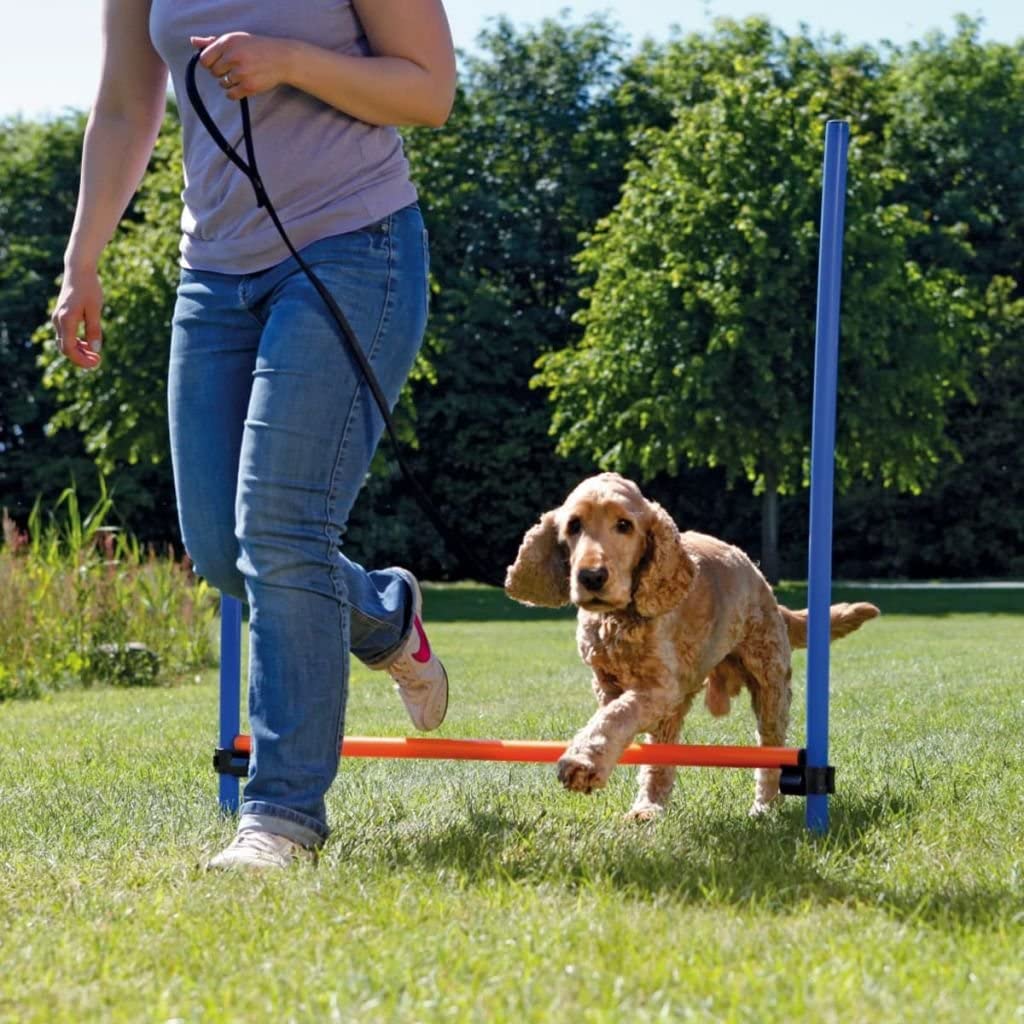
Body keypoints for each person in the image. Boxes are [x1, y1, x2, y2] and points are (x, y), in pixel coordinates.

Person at [52, 0, 458, 870]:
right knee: (220, 545)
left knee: (281, 526)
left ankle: (281, 819)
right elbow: (126, 102)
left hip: (354, 248)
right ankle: (385, 616)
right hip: (213, 276)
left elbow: (429, 91)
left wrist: (290, 60)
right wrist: (83, 257)